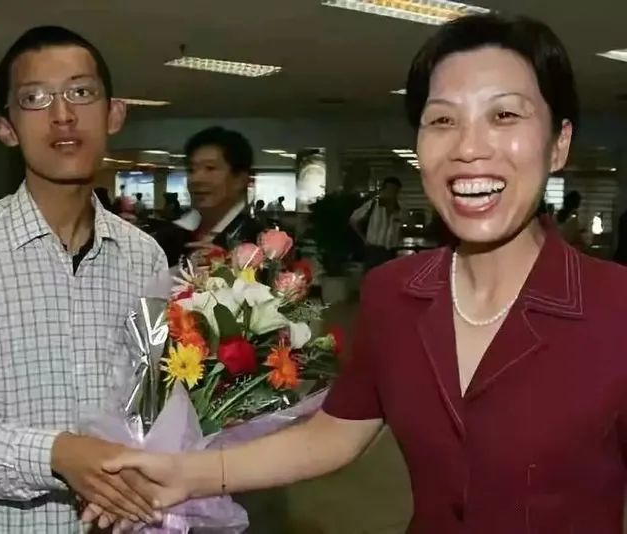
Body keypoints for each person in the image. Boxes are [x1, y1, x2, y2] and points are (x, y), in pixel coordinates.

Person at [88, 14, 627, 534]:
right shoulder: (395, 295)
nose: (468, 147)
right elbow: (333, 435)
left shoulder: (615, 308)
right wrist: (185, 475)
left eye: (505, 115)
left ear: (559, 144)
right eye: (442, 120)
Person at [0, 26, 168, 532]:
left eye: (81, 92)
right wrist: (57, 454)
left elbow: (151, 403)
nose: (62, 114)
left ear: (114, 113)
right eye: (35, 98)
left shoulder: (146, 258)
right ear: (6, 128)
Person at [152, 126, 263, 266]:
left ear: (240, 179)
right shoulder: (166, 238)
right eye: (191, 170)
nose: (196, 179)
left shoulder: (261, 242)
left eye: (210, 168)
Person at [349, 176, 403, 270]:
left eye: (394, 191)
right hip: (374, 249)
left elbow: (403, 226)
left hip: (391, 250)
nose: (391, 193)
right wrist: (364, 239)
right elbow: (353, 220)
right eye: (389, 190)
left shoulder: (400, 208)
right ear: (383, 190)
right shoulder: (373, 204)